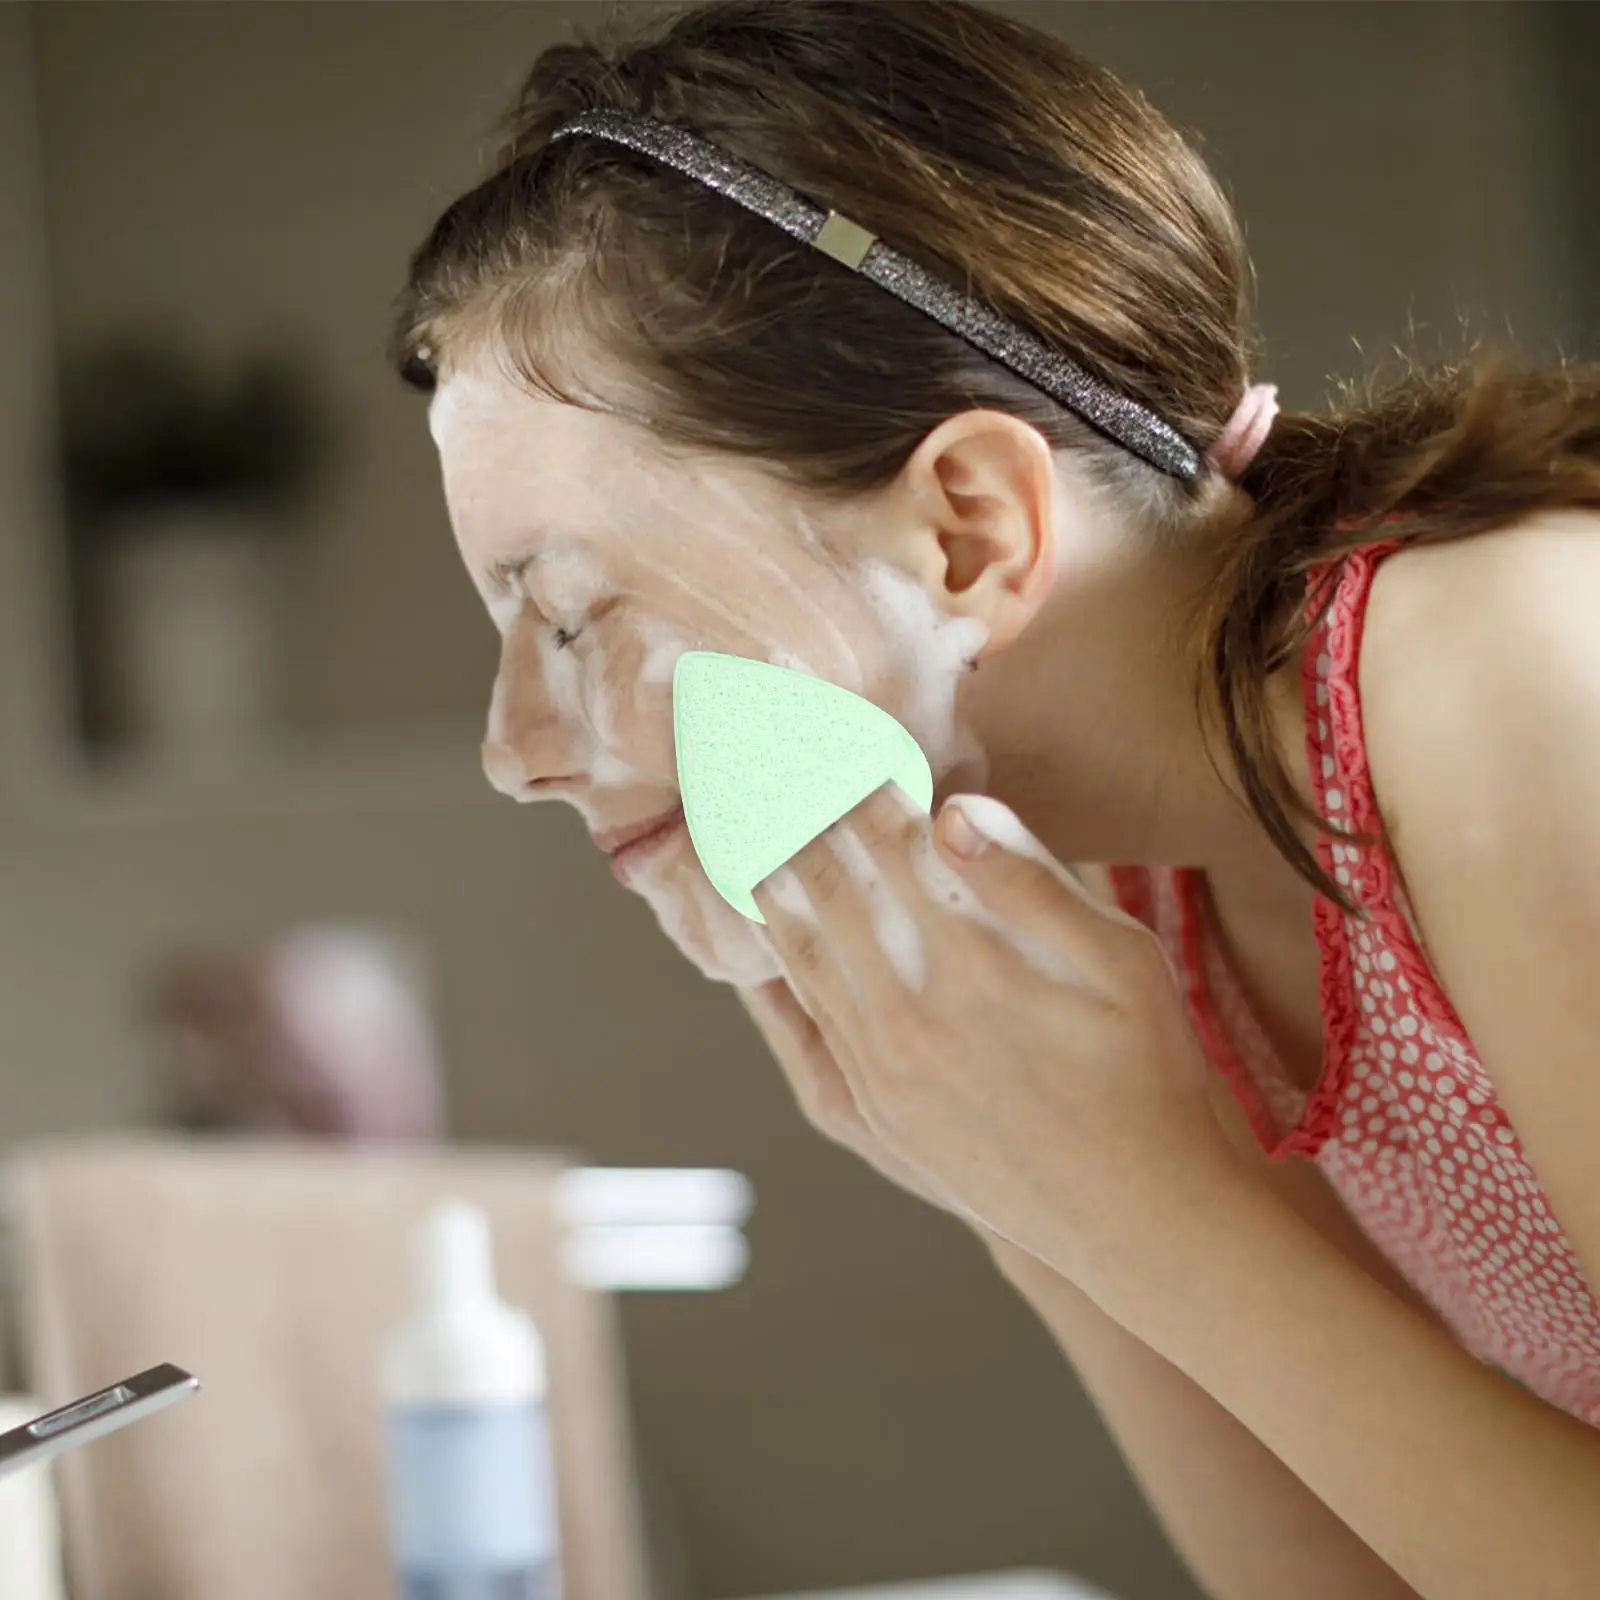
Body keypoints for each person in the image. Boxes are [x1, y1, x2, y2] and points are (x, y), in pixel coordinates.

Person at [388, 2, 1600, 1594]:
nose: (516, 748)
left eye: (569, 616)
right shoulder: (1093, 879)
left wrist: (1147, 1200)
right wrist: (1026, 1188)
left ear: (967, 526)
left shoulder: (1512, 676)